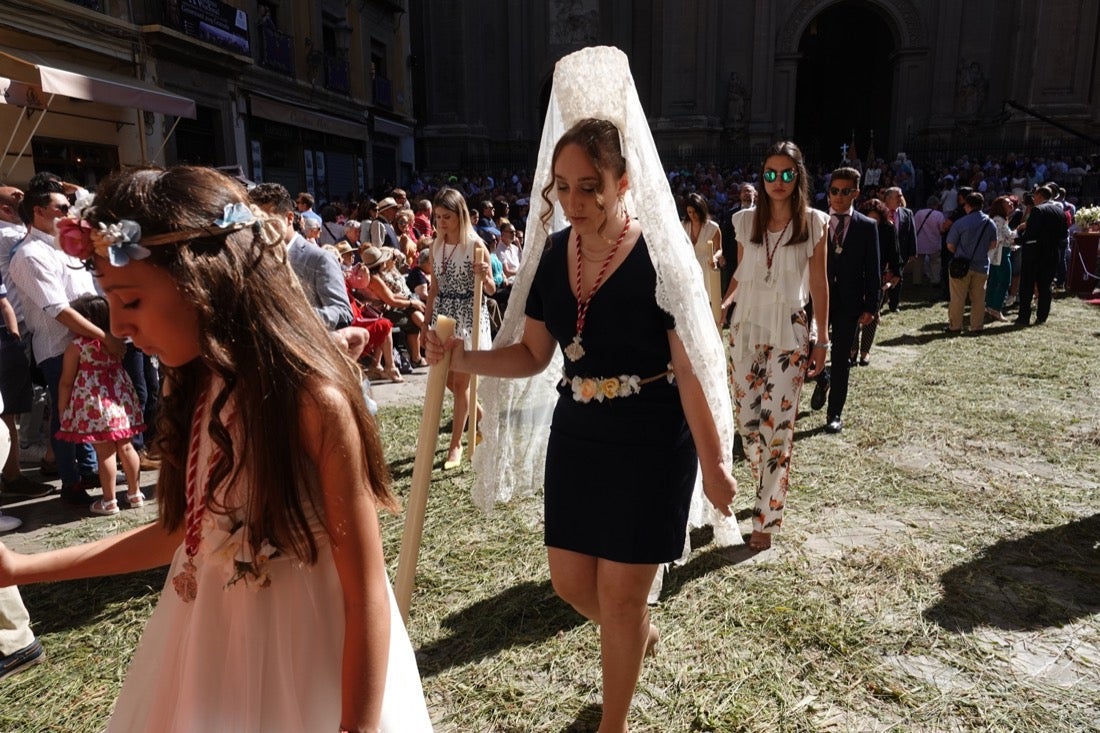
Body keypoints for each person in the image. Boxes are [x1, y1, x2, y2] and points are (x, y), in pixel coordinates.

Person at [0, 167, 432, 732]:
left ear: (205, 280)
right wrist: (20, 568)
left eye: (130, 300)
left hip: (308, 658)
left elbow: (366, 592)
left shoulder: (312, 402)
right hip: (208, 645)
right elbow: (184, 535)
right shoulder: (192, 383)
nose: (121, 326)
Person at [427, 47, 737, 733]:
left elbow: (688, 370)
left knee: (622, 594)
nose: (573, 200)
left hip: (655, 438)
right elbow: (534, 352)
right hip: (580, 436)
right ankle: (633, 629)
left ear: (623, 181)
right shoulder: (551, 255)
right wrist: (466, 359)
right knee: (572, 583)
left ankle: (613, 720)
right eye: (561, 186)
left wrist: (714, 463)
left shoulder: (659, 257)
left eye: (588, 186)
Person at [721, 141, 829, 549]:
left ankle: (765, 518)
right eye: (770, 173)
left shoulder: (814, 223)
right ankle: (764, 488)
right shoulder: (742, 221)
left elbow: (818, 284)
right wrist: (724, 302)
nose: (777, 182)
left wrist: (823, 339)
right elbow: (741, 273)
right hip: (745, 330)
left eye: (786, 174)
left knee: (777, 429)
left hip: (791, 331)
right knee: (748, 426)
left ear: (798, 177)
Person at [423, 187, 495, 469]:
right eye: (438, 217)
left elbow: (489, 288)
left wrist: (485, 275)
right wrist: (426, 323)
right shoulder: (435, 246)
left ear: (460, 215)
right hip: (443, 319)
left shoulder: (476, 246)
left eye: (447, 217)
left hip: (468, 318)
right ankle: (480, 415)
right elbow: (434, 289)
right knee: (450, 382)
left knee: (461, 382)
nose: (441, 222)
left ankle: (456, 446)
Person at [55, 294, 146, 515]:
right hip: (120, 399)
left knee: (104, 452)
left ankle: (109, 501)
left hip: (94, 406)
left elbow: (66, 381)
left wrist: (63, 407)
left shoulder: (76, 347)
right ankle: (135, 494)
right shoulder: (117, 342)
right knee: (127, 447)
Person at [808, 166, 880, 434]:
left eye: (845, 191)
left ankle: (834, 412)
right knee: (807, 350)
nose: (838, 197)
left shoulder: (866, 226)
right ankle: (821, 378)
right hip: (815, 300)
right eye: (834, 191)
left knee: (841, 359)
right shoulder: (816, 221)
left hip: (849, 304)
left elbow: (872, 268)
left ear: (856, 193)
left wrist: (871, 305)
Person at [945, 192, 997, 333]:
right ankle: (977, 326)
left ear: (967, 206)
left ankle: (955, 326)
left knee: (957, 298)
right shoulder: (990, 223)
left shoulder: (961, 223)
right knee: (979, 299)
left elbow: (950, 245)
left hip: (961, 266)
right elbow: (993, 244)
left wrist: (960, 252)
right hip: (981, 266)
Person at [682, 192, 722, 324]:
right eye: (689, 212)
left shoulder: (713, 227)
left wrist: (714, 258)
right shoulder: (683, 225)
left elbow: (720, 249)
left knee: (706, 300)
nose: (692, 216)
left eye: (695, 212)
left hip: (705, 266)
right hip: (688, 266)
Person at [985, 195, 1016, 322]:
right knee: (1004, 281)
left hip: (1001, 253)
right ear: (1000, 206)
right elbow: (999, 238)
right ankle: (996, 309)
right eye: (1007, 203)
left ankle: (990, 306)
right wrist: (1016, 232)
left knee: (995, 281)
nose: (1011, 205)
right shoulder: (998, 219)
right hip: (1000, 254)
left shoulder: (1002, 219)